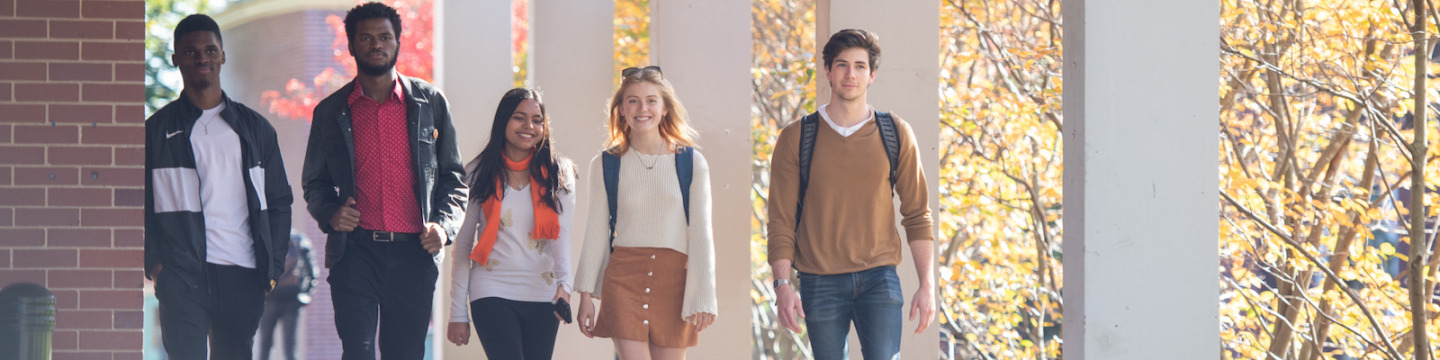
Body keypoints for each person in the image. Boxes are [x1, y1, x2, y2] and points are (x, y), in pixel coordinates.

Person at [300, 2, 467, 359]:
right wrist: (330, 213)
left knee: (404, 353)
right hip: (354, 252)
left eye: (385, 37)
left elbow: (454, 179)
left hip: (414, 252)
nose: (377, 44)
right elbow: (314, 183)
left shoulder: (430, 103)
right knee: (357, 352)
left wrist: (443, 226)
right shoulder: (330, 112)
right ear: (352, 46)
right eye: (367, 37)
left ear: (397, 42)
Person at [765, 29, 936, 360]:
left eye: (860, 66)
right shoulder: (796, 137)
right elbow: (780, 221)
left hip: (880, 278)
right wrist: (782, 286)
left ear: (872, 75)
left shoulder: (896, 133)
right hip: (820, 281)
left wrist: (927, 285)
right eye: (841, 65)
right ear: (828, 71)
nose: (850, 74)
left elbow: (917, 215)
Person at [143, 13, 293, 360]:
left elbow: (280, 201)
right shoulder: (155, 132)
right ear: (175, 59)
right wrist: (155, 265)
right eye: (191, 51)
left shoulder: (255, 130)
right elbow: (141, 206)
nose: (202, 58)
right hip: (182, 276)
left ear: (222, 55)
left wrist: (271, 270)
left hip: (243, 275)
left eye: (210, 50)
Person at [573, 66, 717, 360]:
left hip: (675, 280)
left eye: (651, 100)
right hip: (623, 279)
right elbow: (597, 231)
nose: (642, 108)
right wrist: (586, 296)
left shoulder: (692, 163)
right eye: (633, 101)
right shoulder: (605, 165)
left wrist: (704, 296)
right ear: (621, 110)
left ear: (665, 109)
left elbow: (702, 233)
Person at [445, 88, 577, 360]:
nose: (529, 126)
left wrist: (566, 286)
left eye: (537, 120)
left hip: (543, 292)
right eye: (519, 117)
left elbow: (562, 238)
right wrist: (458, 312)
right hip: (491, 290)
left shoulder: (559, 174)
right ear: (503, 121)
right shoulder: (476, 173)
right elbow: (463, 247)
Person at [257, 231, 319, 360]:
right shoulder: (298, 240)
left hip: (271, 299)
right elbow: (311, 271)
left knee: (265, 345)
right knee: (290, 347)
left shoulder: (267, 238)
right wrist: (306, 295)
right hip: (291, 299)